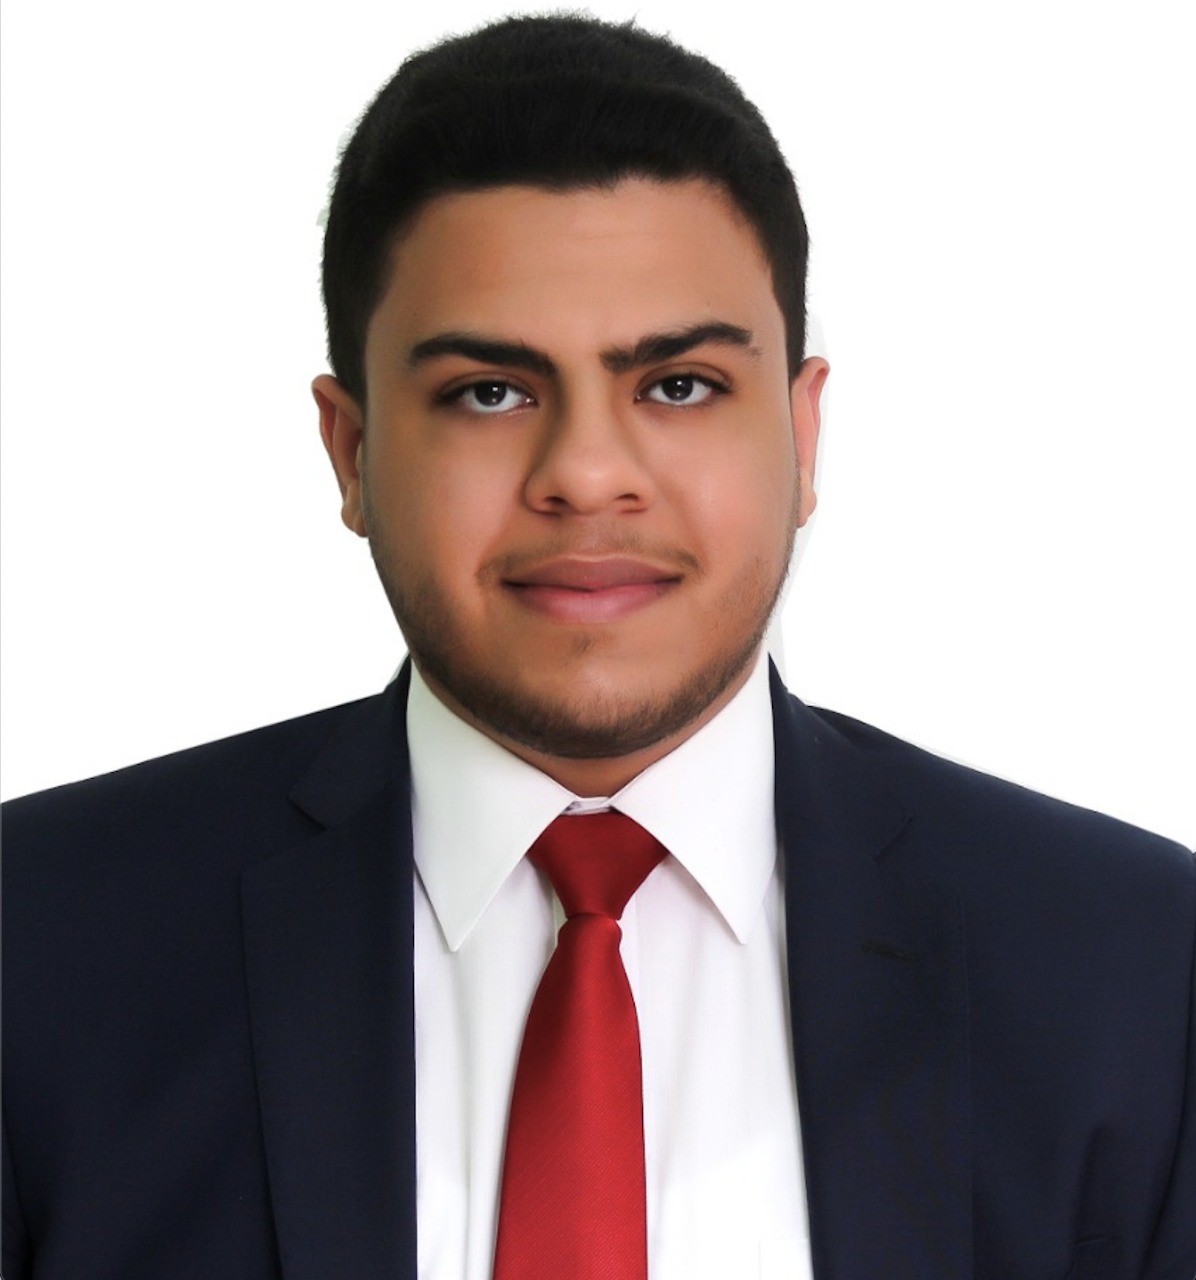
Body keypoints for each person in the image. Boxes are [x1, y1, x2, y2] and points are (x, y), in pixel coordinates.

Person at [2, 13, 1192, 1280]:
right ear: (350, 451)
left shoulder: (1134, 966)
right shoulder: (38, 944)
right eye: (488, 391)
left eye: (677, 384)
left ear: (801, 436)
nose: (583, 472)